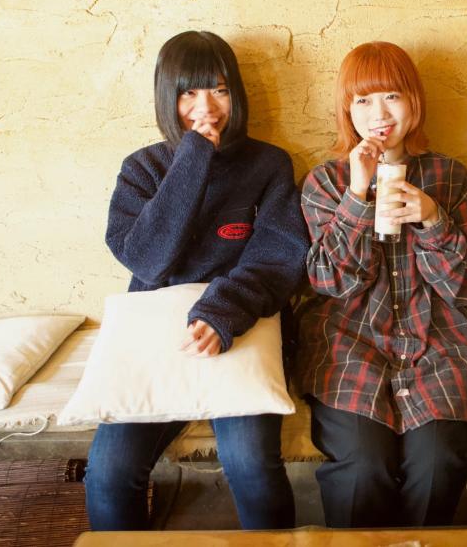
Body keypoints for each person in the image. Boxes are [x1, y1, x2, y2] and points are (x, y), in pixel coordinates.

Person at [84, 30, 310, 530]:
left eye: (220, 90)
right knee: (108, 473)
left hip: (241, 322)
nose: (206, 107)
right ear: (167, 96)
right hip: (157, 331)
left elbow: (279, 258)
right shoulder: (142, 167)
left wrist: (221, 312)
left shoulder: (269, 163)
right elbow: (146, 261)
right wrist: (192, 159)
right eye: (189, 93)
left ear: (237, 95)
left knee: (251, 464)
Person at [298, 41, 467, 528]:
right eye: (363, 100)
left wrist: (433, 218)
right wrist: (357, 194)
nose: (379, 114)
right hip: (349, 343)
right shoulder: (325, 182)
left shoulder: (449, 176)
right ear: (347, 109)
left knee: (438, 463)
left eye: (391, 97)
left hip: (438, 345)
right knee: (362, 467)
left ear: (414, 102)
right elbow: (331, 282)